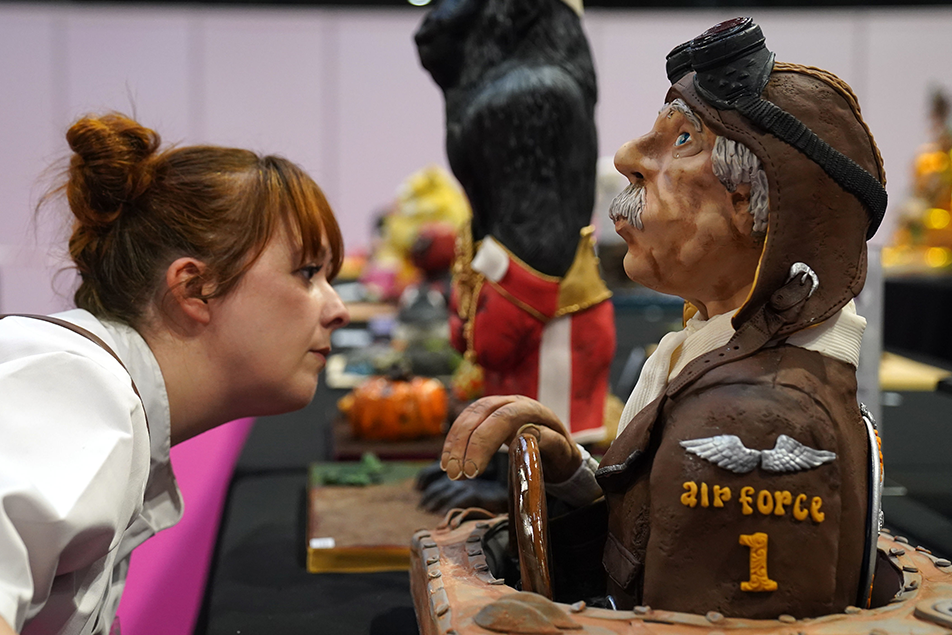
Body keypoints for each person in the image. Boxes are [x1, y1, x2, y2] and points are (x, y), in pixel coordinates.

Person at [437, 18, 892, 619]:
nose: (628, 157)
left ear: (757, 210)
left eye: (682, 140)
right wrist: (573, 472)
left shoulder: (757, 419)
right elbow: (650, 541)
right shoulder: (718, 359)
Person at [0, 113, 349, 634]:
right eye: (307, 273)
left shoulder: (101, 391)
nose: (338, 308)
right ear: (193, 288)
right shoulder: (84, 393)